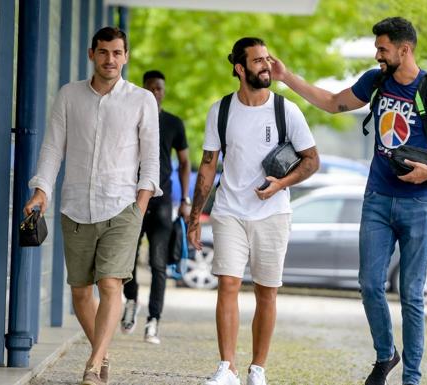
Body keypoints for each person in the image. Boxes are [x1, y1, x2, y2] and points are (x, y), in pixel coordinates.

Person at [270, 17, 427, 385]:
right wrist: (286, 78)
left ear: (405, 49)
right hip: (378, 199)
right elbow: (334, 104)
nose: (378, 55)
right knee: (369, 283)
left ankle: (411, 379)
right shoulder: (376, 81)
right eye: (376, 49)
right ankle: (386, 354)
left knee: (412, 295)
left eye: (383, 48)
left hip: (419, 202)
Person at [23, 27, 161, 385]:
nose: (110, 60)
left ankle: (93, 364)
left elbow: (151, 159)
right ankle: (103, 352)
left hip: (122, 207)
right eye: (103, 52)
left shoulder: (141, 99)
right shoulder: (69, 96)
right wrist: (41, 191)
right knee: (81, 292)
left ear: (126, 56)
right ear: (91, 54)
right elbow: (53, 148)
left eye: (117, 53)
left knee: (111, 283)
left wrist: (140, 207)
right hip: (74, 206)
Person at [187, 37, 319, 385]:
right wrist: (194, 217)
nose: (267, 66)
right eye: (259, 61)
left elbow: (312, 160)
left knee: (266, 290)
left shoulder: (285, 110)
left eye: (268, 59)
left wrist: (281, 184)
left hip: (273, 214)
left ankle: (257, 368)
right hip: (230, 210)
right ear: (240, 68)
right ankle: (226, 367)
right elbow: (207, 165)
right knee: (227, 284)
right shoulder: (222, 110)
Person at [120, 70, 191, 344]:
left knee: (158, 263)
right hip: (131, 199)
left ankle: (153, 320)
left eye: (159, 88)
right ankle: (131, 301)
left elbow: (185, 163)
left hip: (162, 201)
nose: (155, 92)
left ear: (163, 91)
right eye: (150, 88)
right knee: (126, 258)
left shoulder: (173, 123)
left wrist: (185, 200)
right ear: (143, 89)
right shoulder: (131, 119)